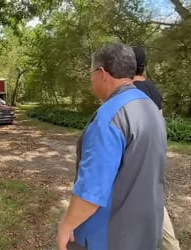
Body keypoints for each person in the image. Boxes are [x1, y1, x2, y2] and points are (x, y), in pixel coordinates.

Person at [57, 43, 167, 250]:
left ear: (101, 73)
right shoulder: (150, 107)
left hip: (106, 238)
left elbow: (91, 192)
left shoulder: (107, 119)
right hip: (146, 233)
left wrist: (66, 225)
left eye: (91, 73)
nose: (90, 80)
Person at [132, 46, 181, 250]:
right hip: (155, 153)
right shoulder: (154, 90)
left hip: (137, 155)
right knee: (152, 199)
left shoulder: (130, 91)